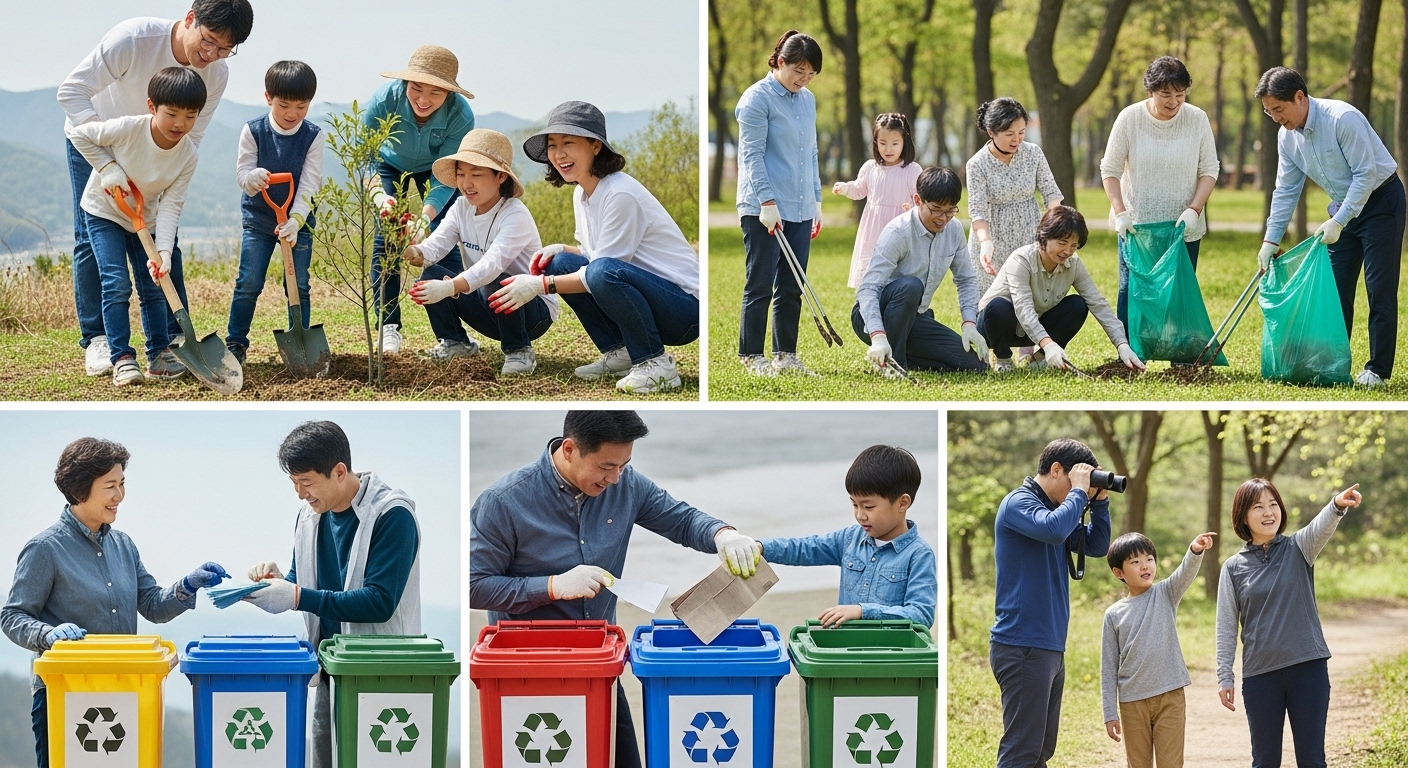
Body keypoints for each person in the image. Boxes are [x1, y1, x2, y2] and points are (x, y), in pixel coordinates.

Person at [470, 411, 766, 768]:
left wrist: (723, 535)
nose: (615, 478)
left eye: (624, 465)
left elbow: (683, 520)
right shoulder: (503, 501)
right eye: (606, 467)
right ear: (569, 449)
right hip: (526, 669)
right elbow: (474, 585)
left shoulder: (626, 485)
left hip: (599, 663)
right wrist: (552, 586)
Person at [1, 437, 227, 768]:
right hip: (66, 695)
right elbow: (13, 616)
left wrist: (187, 585)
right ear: (80, 489)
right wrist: (48, 635)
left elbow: (151, 604)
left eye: (122, 484)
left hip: (125, 691)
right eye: (110, 486)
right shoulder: (45, 549)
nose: (119, 495)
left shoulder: (124, 545)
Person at [58, 0, 253, 378]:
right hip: (98, 140)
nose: (211, 55)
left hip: (159, 154)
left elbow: (191, 137)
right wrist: (108, 164)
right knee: (91, 238)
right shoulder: (134, 39)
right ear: (190, 19)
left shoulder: (216, 73)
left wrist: (164, 190)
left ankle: (170, 338)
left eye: (225, 49)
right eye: (209, 41)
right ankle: (98, 338)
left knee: (164, 245)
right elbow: (71, 93)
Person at [244, 420, 422, 768]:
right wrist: (277, 580)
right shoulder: (308, 516)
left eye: (306, 483)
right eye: (294, 483)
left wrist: (295, 596)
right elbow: (305, 581)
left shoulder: (391, 515)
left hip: (381, 673)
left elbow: (379, 601)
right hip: (329, 670)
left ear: (339, 472)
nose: (299, 493)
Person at [491, 102, 700, 394]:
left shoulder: (620, 194)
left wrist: (539, 285)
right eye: (552, 145)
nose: (558, 154)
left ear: (595, 146)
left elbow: (603, 271)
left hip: (684, 310)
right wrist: (561, 249)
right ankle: (621, 352)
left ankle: (655, 363)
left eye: (569, 143)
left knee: (597, 273)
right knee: (561, 263)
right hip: (647, 294)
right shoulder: (582, 193)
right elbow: (595, 255)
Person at [1255, 66, 1403, 388]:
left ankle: (1377, 370)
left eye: (1279, 110)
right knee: (1334, 292)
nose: (1277, 119)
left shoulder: (1341, 118)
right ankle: (1328, 362)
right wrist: (1270, 239)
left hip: (1381, 202)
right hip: (1342, 208)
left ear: (1299, 97)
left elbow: (1365, 176)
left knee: (1379, 289)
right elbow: (1286, 190)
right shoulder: (1286, 137)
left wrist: (1338, 221)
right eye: (1269, 113)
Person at [67, 68, 205, 387]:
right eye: (171, 113)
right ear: (151, 106)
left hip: (147, 219)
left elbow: (172, 204)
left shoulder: (188, 155)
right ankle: (122, 358)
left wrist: (165, 253)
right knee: (116, 283)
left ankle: (159, 355)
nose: (179, 124)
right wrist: (108, 167)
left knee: (153, 285)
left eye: (190, 116)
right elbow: (79, 135)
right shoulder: (129, 129)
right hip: (104, 212)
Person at [1216, 479, 1362, 768]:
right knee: (1265, 761)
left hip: (1308, 670)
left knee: (1311, 760)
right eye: (1258, 507)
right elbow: (1226, 626)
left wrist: (1336, 505)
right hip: (1260, 677)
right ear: (1243, 515)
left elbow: (1321, 526)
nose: (1268, 512)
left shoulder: (1299, 547)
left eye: (1273, 505)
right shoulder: (1233, 568)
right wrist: (1224, 676)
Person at [990, 438, 1113, 768]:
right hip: (1022, 644)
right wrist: (1077, 494)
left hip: (1047, 646)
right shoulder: (1019, 503)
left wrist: (1098, 502)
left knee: (1040, 750)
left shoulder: (1056, 511)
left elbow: (1098, 545)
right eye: (1076, 479)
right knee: (1021, 751)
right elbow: (1056, 530)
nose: (1081, 488)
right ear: (1057, 469)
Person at [405, 129, 555, 375]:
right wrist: (411, 249)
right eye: (461, 174)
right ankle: (455, 343)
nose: (467, 183)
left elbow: (491, 266)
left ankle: (519, 350)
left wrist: (449, 287)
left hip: (532, 311)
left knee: (499, 280)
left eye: (476, 174)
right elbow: (435, 247)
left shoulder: (514, 214)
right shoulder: (461, 207)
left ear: (500, 177)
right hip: (488, 302)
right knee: (430, 273)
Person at [364, 45, 475, 355]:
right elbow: (366, 159)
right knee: (386, 240)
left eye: (435, 93)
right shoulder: (384, 100)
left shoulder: (461, 116)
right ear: (405, 83)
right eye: (416, 88)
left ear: (449, 94)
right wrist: (379, 197)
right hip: (389, 165)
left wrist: (424, 220)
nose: (423, 99)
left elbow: (446, 176)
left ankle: (452, 335)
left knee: (444, 237)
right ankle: (388, 328)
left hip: (435, 168)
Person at [758, 445, 937, 628]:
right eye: (854, 505)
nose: (860, 515)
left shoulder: (919, 555)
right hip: (846, 651)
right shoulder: (850, 538)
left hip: (888, 655)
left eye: (868, 507)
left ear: (902, 503)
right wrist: (761, 547)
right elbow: (805, 548)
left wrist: (862, 611)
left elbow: (921, 615)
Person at [1101, 56, 1219, 331]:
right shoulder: (1129, 118)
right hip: (1138, 227)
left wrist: (1195, 208)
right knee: (1131, 289)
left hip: (1182, 227)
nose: (1174, 102)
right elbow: (1110, 169)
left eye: (1180, 94)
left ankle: (1179, 360)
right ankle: (1128, 352)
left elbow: (1209, 169)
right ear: (1149, 91)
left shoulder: (1197, 119)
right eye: (1166, 94)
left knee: (1179, 292)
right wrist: (1120, 212)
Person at [734, 30, 825, 377]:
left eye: (811, 74)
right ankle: (751, 356)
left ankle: (785, 355)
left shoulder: (808, 100)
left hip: (800, 205)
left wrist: (816, 200)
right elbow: (752, 155)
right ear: (780, 62)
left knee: (792, 285)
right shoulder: (757, 98)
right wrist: (766, 202)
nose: (804, 79)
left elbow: (811, 153)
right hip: (764, 207)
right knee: (759, 284)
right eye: (798, 71)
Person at [226, 60, 323, 365]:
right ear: (268, 97)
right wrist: (252, 178)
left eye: (301, 106)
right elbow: (242, 173)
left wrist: (296, 220)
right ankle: (236, 343)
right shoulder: (253, 131)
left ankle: (300, 340)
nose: (292, 114)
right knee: (249, 282)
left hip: (299, 220)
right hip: (260, 219)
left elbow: (309, 183)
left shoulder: (313, 136)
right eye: (284, 105)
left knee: (299, 284)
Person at [852, 167, 989, 376]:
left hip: (914, 316)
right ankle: (893, 363)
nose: (943, 218)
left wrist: (969, 323)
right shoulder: (898, 232)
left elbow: (966, 279)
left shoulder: (954, 231)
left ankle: (899, 355)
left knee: (975, 365)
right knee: (910, 285)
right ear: (918, 200)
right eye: (936, 209)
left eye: (951, 210)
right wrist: (878, 335)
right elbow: (868, 288)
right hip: (873, 316)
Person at [978, 206, 1146, 373]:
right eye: (1062, 243)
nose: (1068, 251)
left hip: (1032, 329)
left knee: (1078, 305)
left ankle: (1039, 359)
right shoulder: (1021, 260)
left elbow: (1097, 302)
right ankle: (1003, 358)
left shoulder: (1073, 264)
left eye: (1074, 245)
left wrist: (1122, 345)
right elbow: (1023, 309)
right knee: (998, 306)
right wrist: (1049, 343)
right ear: (1044, 237)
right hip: (993, 328)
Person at [1100, 530, 1217, 768]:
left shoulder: (1165, 593)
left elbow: (1185, 574)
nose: (1145, 566)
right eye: (1135, 562)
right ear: (1118, 572)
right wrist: (1110, 713)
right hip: (1133, 702)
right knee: (1138, 764)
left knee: (1171, 763)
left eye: (1149, 559)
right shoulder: (1114, 614)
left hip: (1170, 697)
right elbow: (1108, 666)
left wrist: (1195, 550)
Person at [966, 97, 1064, 297]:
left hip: (1028, 234)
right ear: (991, 132)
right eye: (1009, 134)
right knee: (994, 301)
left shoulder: (1033, 153)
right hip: (994, 240)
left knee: (1028, 296)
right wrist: (985, 242)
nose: (1016, 140)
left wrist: (1057, 231)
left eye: (1021, 133)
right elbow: (977, 211)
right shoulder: (976, 164)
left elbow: (1052, 195)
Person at [833, 113, 924, 288]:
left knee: (896, 273)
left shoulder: (912, 170)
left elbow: (921, 199)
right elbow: (859, 189)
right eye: (883, 143)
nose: (888, 149)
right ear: (875, 142)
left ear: (905, 142)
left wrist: (911, 207)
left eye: (895, 144)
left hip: (900, 228)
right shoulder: (870, 168)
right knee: (872, 276)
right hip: (873, 229)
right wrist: (845, 188)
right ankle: (867, 307)